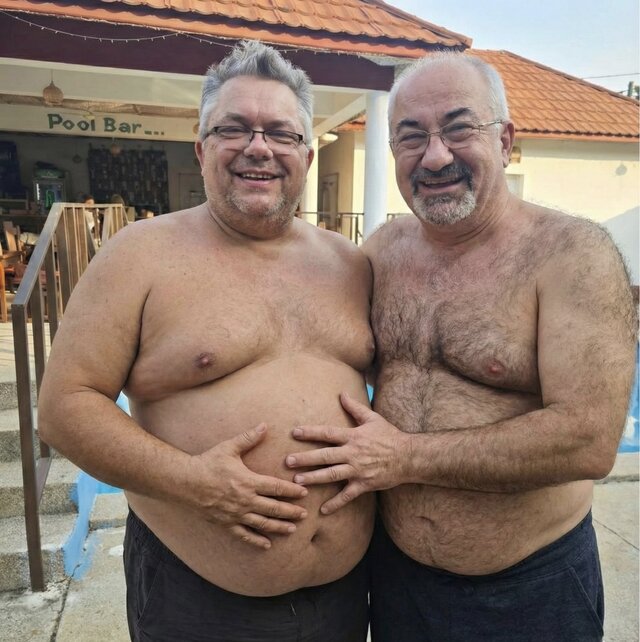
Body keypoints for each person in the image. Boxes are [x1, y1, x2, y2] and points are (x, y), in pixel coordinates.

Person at [285, 51, 637, 641]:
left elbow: (589, 439)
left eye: (458, 128)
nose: (435, 156)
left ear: (505, 141)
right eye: (411, 137)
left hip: (529, 592)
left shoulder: (573, 255)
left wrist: (404, 458)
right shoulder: (383, 251)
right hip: (397, 578)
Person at [38, 41, 375, 642]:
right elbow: (64, 408)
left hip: (347, 598)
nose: (258, 147)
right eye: (234, 128)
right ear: (201, 148)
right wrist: (194, 483)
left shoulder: (350, 264)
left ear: (306, 154)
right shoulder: (138, 255)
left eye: (281, 133)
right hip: (196, 600)